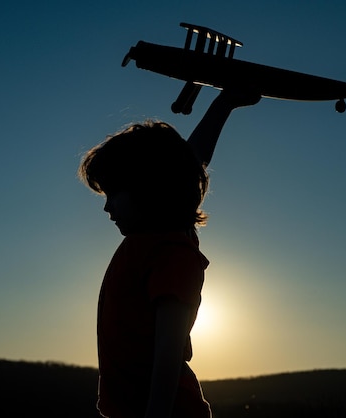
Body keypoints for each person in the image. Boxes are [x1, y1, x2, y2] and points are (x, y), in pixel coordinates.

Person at [78, 89, 259, 418]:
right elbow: (188, 164)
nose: (107, 206)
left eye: (114, 193)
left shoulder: (171, 253)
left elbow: (168, 352)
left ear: (150, 189)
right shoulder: (154, 239)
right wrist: (223, 103)